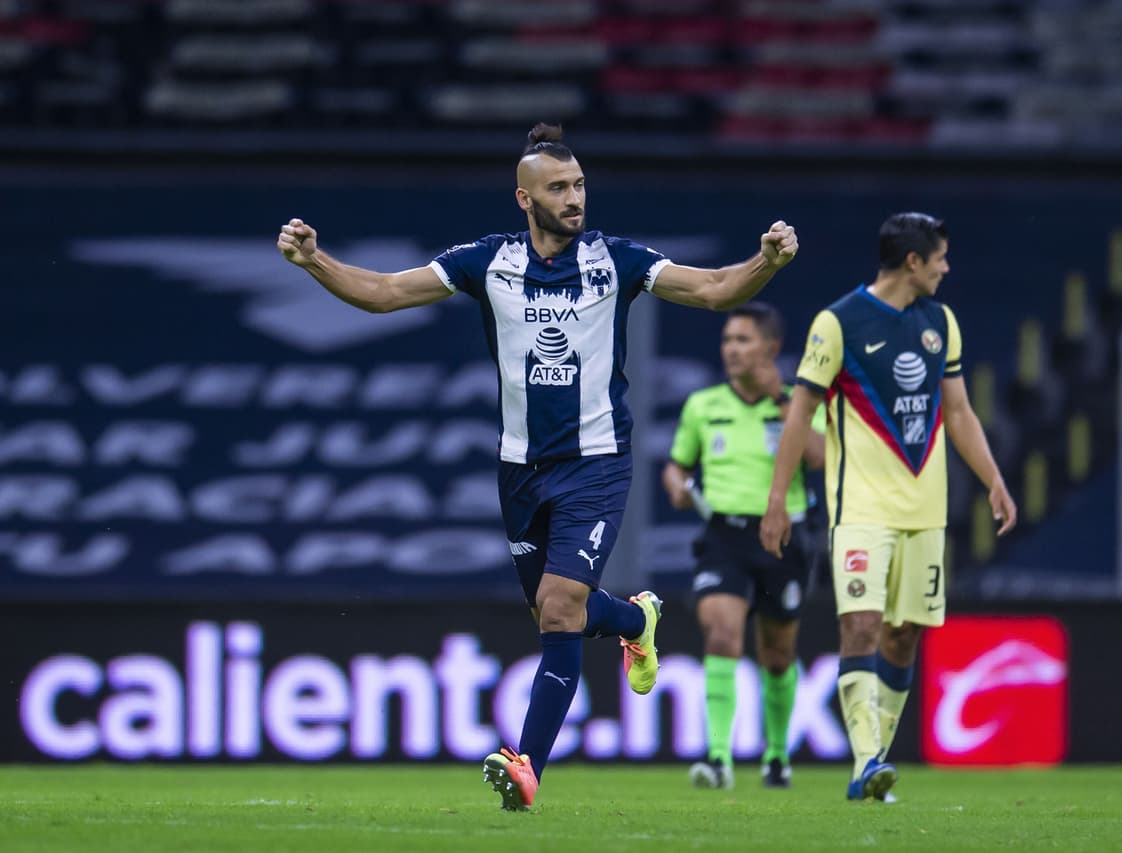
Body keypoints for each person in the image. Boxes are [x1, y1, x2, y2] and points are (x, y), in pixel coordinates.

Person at [277, 123, 799, 811]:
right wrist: (317, 261)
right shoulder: (484, 262)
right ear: (524, 198)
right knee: (558, 611)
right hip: (519, 470)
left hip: (596, 464)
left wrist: (764, 261)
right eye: (558, 188)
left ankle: (526, 768)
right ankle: (632, 622)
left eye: (579, 184)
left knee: (558, 609)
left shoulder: (616, 260)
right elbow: (383, 292)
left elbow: (710, 290)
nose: (575, 197)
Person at [759, 212, 1016, 803]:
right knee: (863, 625)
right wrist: (779, 499)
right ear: (913, 263)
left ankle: (873, 764)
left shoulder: (941, 322)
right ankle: (866, 759)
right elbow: (800, 411)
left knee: (904, 637)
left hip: (927, 510)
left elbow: (958, 412)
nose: (947, 268)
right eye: (941, 258)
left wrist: (994, 479)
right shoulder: (838, 322)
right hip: (862, 509)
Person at [661, 302, 825, 791]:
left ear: (771, 348)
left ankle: (776, 756)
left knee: (777, 653)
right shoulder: (703, 404)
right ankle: (717, 757)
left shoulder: (800, 401)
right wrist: (676, 483)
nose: (731, 349)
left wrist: (782, 402)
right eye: (728, 340)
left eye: (743, 340)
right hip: (724, 535)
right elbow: (677, 464)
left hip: (785, 537)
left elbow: (821, 458)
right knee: (720, 632)